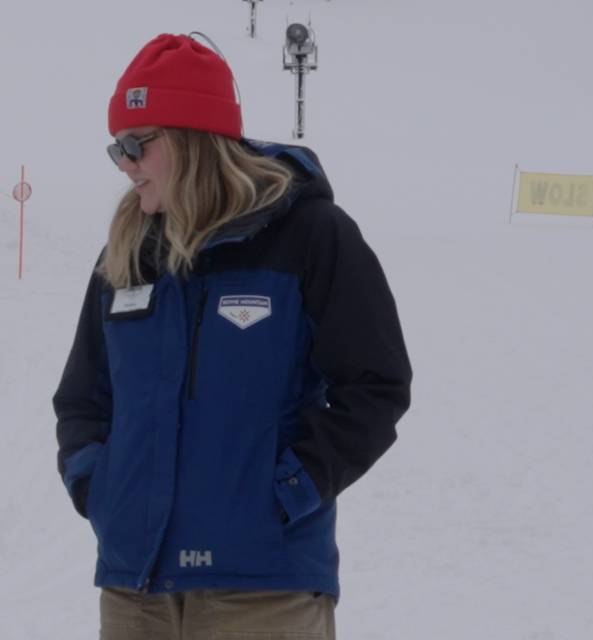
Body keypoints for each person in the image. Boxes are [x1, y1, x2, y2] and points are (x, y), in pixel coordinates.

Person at [54, 33, 413, 640]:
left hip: (264, 592)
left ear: (194, 141)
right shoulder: (126, 254)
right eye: (117, 148)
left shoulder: (309, 236)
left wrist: (288, 491)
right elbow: (83, 400)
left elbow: (375, 385)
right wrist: (100, 490)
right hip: (135, 591)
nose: (125, 164)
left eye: (137, 144)